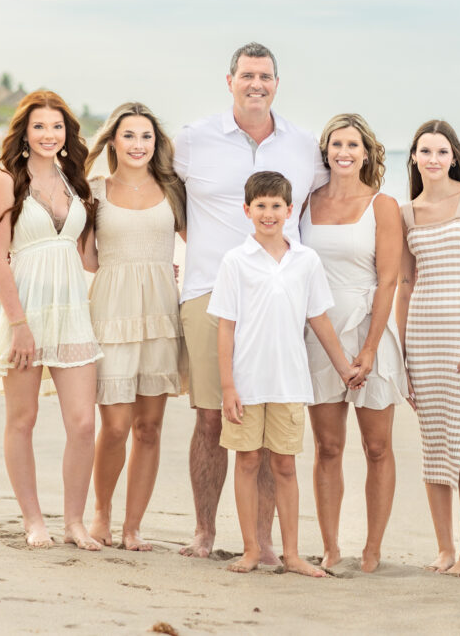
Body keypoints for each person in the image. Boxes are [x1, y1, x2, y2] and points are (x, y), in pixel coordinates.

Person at [173, 42, 327, 561]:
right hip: (208, 292)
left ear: (276, 84)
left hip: (282, 296)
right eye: (246, 75)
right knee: (214, 418)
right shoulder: (194, 140)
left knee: (265, 422)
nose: (255, 84)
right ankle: (203, 532)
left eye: (264, 76)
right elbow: (163, 191)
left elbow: (325, 204)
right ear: (230, 80)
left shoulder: (306, 145)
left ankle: (259, 543)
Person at [208, 171, 359, 576]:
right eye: (260, 206)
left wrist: (344, 368)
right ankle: (252, 549)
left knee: (285, 466)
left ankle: (292, 554)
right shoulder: (235, 261)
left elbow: (320, 319)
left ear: (290, 210)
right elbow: (226, 326)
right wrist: (227, 386)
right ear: (247, 210)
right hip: (246, 382)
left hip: (290, 380)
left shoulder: (305, 261)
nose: (269, 213)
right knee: (246, 462)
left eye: (277, 206)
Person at [0, 90, 103, 550]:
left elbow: (88, 259)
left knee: (83, 423)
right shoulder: (6, 180)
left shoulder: (77, 182)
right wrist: (19, 324)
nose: (50, 135)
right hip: (24, 313)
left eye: (57, 127)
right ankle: (33, 520)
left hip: (72, 314)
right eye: (40, 127)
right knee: (23, 419)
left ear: (67, 134)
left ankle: (74, 521)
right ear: (25, 134)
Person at [299, 113, 407, 573]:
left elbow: (389, 281)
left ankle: (372, 549)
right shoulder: (304, 201)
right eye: (336, 144)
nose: (344, 152)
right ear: (325, 151)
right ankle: (330, 546)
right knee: (327, 446)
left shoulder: (382, 205)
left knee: (378, 447)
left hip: (369, 330)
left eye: (353, 145)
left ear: (367, 152)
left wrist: (367, 349)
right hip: (319, 332)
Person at [395, 120, 460, 577]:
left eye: (441, 151)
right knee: (433, 444)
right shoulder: (406, 213)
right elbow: (405, 282)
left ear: (453, 156)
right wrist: (400, 353)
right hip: (423, 337)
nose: (433, 159)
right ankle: (444, 548)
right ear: (415, 158)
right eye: (425, 151)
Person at [80, 102, 188, 551]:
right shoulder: (95, 191)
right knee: (118, 425)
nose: (138, 145)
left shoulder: (173, 189)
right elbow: (86, 256)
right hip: (112, 312)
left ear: (156, 143)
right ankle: (101, 514)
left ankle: (133, 527)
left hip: (162, 312)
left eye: (146, 137)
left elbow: (203, 240)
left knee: (149, 428)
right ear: (113, 141)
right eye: (129, 136)